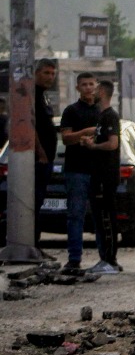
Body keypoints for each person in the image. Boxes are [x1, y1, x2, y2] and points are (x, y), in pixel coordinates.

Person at [58, 71, 101, 274]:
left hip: (98, 170)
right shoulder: (71, 111)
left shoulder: (103, 111)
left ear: (97, 86)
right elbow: (66, 138)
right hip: (76, 170)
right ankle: (74, 259)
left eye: (91, 84)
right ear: (78, 88)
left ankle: (105, 258)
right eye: (84, 84)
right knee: (76, 215)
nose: (88, 88)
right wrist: (85, 133)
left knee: (101, 216)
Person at [80, 79, 122, 274]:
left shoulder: (110, 116)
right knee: (99, 217)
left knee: (107, 217)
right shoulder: (101, 116)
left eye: (96, 89)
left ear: (103, 92)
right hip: (98, 175)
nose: (92, 92)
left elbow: (113, 144)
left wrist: (94, 146)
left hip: (107, 175)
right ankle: (104, 258)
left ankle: (110, 260)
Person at [34, 59, 59, 251]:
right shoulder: (32, 95)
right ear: (36, 73)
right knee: (33, 203)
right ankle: (31, 244)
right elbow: (30, 126)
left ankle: (35, 245)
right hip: (38, 160)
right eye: (46, 73)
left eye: (53, 73)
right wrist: (41, 152)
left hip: (48, 159)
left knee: (39, 201)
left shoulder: (44, 96)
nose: (50, 77)